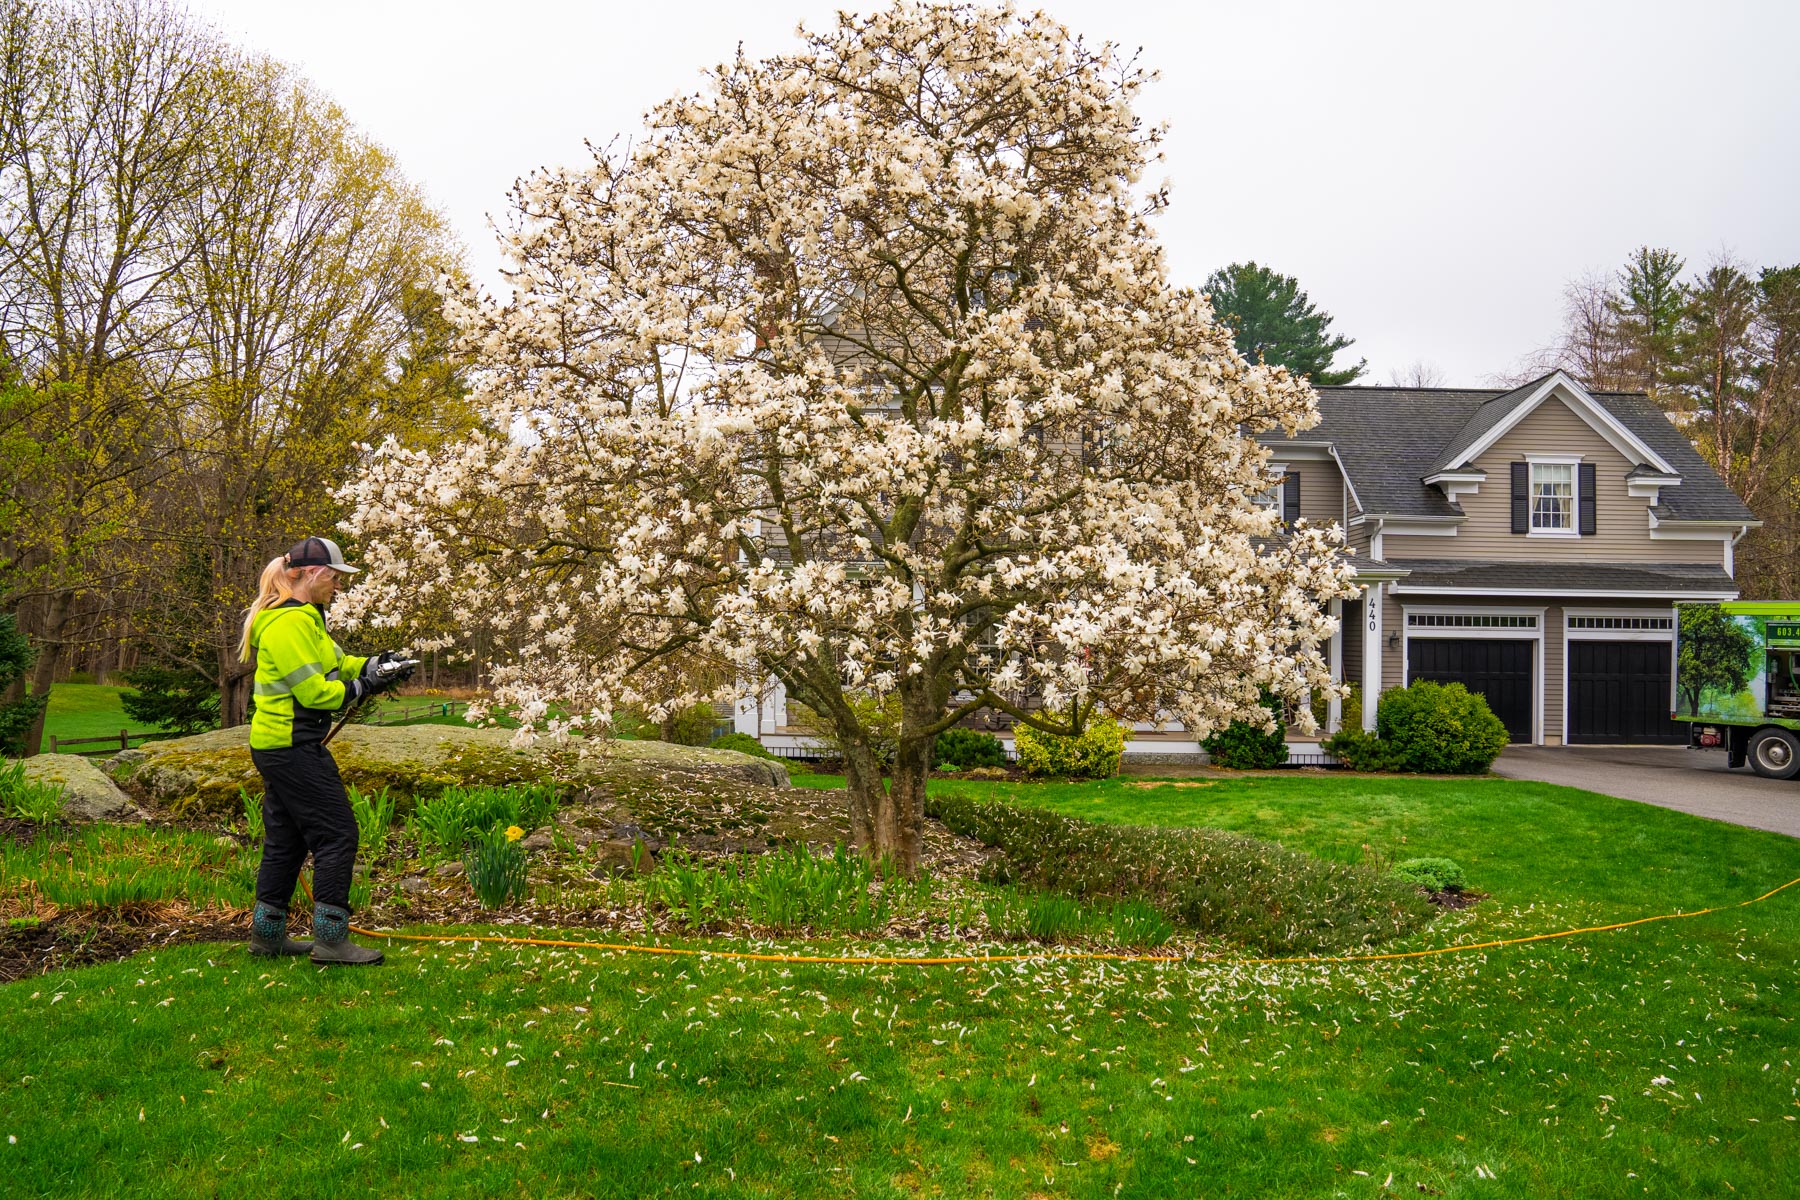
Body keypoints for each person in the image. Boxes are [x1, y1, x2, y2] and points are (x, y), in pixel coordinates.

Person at [237, 536, 413, 965]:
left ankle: (268, 936)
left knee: (287, 840)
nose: (337, 587)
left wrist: (378, 665)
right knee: (338, 834)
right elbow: (315, 692)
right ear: (313, 574)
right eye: (334, 579)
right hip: (291, 746)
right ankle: (332, 940)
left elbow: (339, 663)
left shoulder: (306, 619)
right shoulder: (287, 624)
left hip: (282, 746)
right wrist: (364, 687)